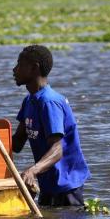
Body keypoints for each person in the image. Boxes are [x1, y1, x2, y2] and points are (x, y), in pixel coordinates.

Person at [10, 45, 91, 206]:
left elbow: (57, 150)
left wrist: (32, 171)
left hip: (66, 184)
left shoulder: (49, 102)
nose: (14, 69)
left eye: (20, 64)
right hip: (47, 182)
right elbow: (17, 144)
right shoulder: (29, 101)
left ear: (34, 68)